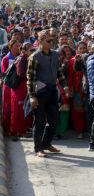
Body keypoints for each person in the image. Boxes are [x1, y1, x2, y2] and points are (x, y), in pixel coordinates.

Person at [27, 30, 70, 158]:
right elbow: (30, 78)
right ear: (40, 42)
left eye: (52, 40)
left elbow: (60, 73)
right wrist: (32, 96)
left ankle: (46, 143)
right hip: (39, 92)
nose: (52, 43)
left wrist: (65, 86)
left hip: (52, 91)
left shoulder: (55, 55)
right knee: (39, 121)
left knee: (54, 120)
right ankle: (38, 148)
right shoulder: (34, 57)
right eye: (48, 41)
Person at [66, 41, 88, 139]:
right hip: (77, 89)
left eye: (84, 48)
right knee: (78, 110)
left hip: (87, 88)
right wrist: (69, 88)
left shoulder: (89, 58)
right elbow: (70, 76)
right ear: (76, 49)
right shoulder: (72, 61)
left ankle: (87, 129)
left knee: (86, 110)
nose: (82, 50)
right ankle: (79, 130)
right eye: (80, 48)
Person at [1, 39, 21, 139]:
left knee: (16, 109)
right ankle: (6, 129)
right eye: (16, 46)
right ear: (10, 47)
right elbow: (4, 74)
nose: (18, 48)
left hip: (17, 87)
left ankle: (14, 130)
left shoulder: (20, 57)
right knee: (7, 109)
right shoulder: (6, 59)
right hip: (8, 86)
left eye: (19, 46)